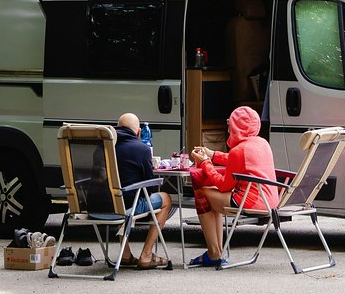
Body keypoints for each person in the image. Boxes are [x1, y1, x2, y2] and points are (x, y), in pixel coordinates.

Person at [187, 105, 278, 267]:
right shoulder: (261, 143)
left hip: (250, 201)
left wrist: (205, 163)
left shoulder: (239, 150)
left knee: (203, 191)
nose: (228, 129)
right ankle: (215, 251)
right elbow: (237, 160)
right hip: (270, 201)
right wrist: (213, 155)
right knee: (212, 195)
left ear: (236, 127)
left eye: (230, 125)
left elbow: (223, 186)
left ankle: (214, 253)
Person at [115, 112, 174, 269]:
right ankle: (147, 254)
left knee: (116, 196)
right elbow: (150, 186)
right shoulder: (141, 149)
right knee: (166, 198)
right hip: (128, 206)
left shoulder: (103, 147)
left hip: (102, 205)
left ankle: (126, 254)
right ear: (139, 132)